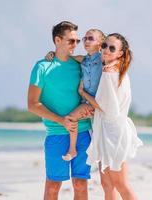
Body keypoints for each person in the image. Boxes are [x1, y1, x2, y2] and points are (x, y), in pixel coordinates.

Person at [28, 21, 93, 200]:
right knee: (53, 185)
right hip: (56, 133)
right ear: (57, 40)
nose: (75, 45)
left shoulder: (80, 65)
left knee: (80, 184)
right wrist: (61, 120)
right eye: (71, 41)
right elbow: (32, 104)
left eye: (77, 41)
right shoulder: (42, 67)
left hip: (83, 132)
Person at [85, 33, 143, 200]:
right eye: (104, 46)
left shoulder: (111, 72)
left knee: (120, 184)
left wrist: (83, 93)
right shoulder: (114, 68)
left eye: (112, 48)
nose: (106, 50)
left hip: (114, 134)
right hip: (107, 132)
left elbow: (105, 109)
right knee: (107, 184)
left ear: (120, 53)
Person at [45, 28, 106, 161]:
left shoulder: (103, 60)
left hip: (96, 103)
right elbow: (67, 57)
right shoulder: (83, 60)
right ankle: (88, 152)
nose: (86, 41)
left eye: (91, 38)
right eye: (84, 38)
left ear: (101, 43)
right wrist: (52, 54)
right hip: (86, 103)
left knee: (72, 118)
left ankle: (72, 150)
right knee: (86, 126)